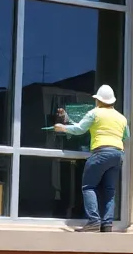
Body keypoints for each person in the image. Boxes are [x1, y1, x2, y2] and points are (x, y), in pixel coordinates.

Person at [54, 85, 128, 233]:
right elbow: (126, 137)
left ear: (99, 100)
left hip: (100, 152)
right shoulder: (121, 118)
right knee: (109, 190)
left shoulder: (94, 113)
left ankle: (94, 221)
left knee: (88, 186)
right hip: (117, 154)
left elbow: (80, 129)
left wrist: (63, 128)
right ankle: (107, 224)